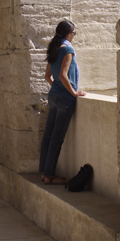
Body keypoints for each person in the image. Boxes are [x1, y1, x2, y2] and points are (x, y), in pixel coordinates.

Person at [39, 20, 86, 184]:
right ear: (69, 34)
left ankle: (44, 172)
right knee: (57, 137)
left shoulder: (53, 49)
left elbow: (48, 76)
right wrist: (73, 92)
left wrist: (57, 88)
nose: (74, 36)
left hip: (53, 96)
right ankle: (50, 175)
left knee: (48, 135)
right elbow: (63, 75)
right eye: (74, 33)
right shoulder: (67, 49)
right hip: (65, 98)